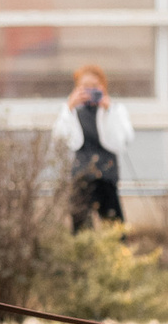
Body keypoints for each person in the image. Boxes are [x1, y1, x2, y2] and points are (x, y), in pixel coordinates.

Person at [53, 64, 134, 232]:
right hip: (81, 175)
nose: (90, 91)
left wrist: (109, 110)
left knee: (114, 227)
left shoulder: (116, 110)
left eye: (94, 87)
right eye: (85, 87)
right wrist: (69, 107)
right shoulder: (72, 112)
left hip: (107, 175)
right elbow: (59, 139)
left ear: (103, 87)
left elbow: (121, 141)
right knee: (81, 228)